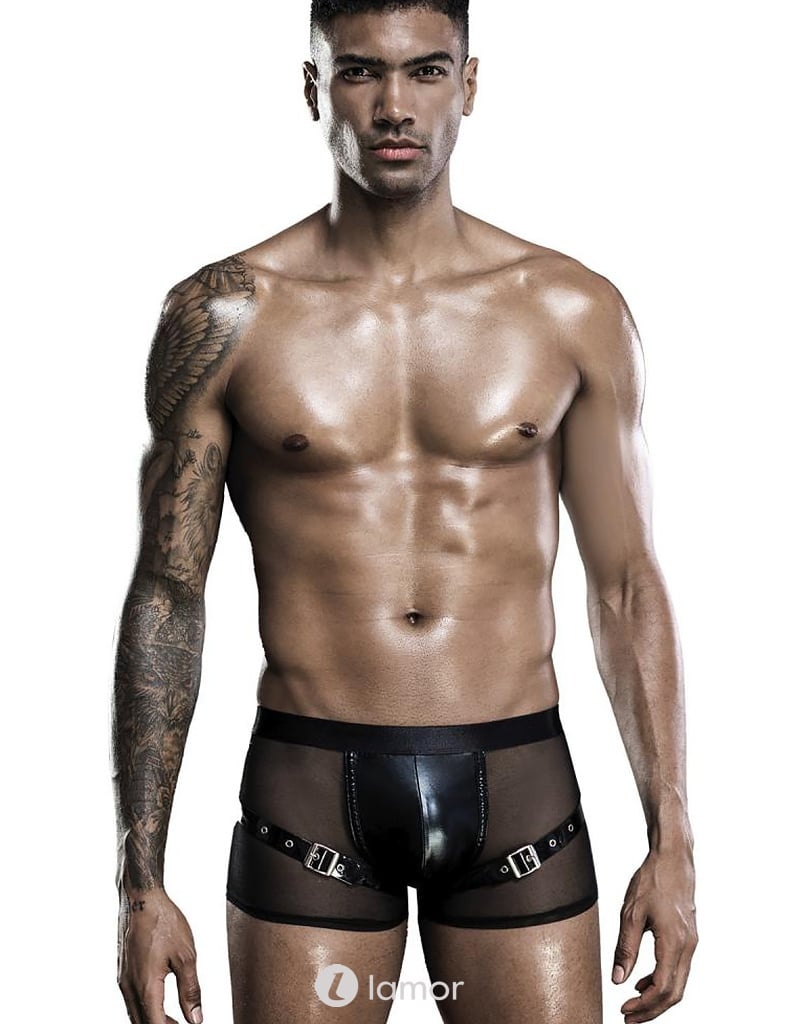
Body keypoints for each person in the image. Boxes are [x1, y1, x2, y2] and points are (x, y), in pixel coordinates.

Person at [111, 1, 697, 1021]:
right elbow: (168, 593)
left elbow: (623, 580)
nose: (394, 106)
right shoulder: (225, 317)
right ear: (312, 88)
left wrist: (672, 836)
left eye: (426, 71)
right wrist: (138, 878)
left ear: (468, 84)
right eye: (359, 72)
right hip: (309, 789)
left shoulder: (570, 310)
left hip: (519, 787)